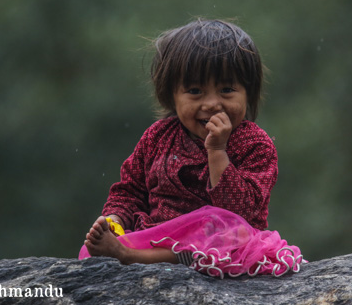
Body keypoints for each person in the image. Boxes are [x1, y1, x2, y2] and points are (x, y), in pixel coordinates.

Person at [79, 18, 303, 277]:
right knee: (120, 236)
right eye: (195, 91)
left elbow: (240, 213)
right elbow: (130, 190)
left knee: (221, 232)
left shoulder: (254, 144)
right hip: (156, 236)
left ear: (248, 93)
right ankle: (128, 249)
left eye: (227, 90)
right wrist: (115, 220)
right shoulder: (158, 137)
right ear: (171, 96)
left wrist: (217, 151)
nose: (212, 104)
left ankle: (129, 256)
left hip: (225, 244)